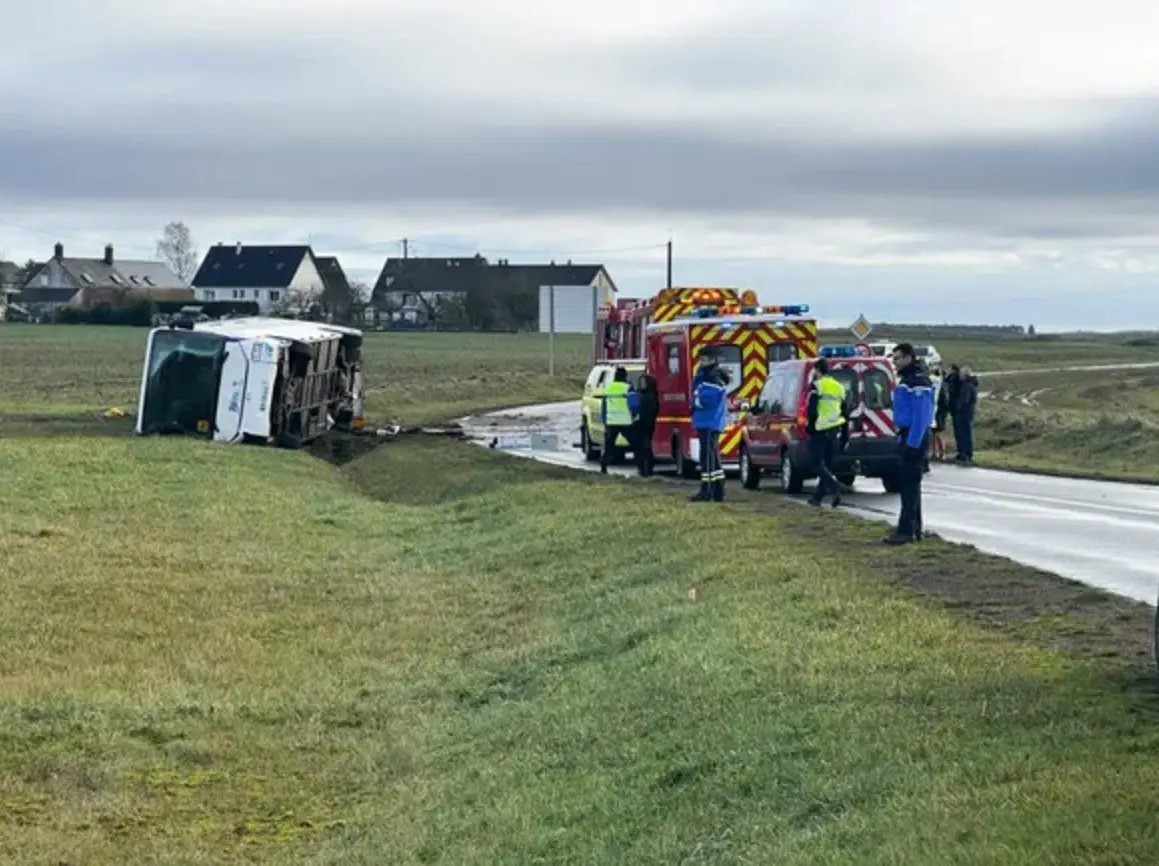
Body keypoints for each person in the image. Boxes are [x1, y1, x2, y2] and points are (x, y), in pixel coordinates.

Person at [884, 343, 935, 545]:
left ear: (908, 358)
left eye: (897, 358)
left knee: (909, 485)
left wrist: (912, 444)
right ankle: (913, 529)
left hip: (915, 436)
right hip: (907, 435)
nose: (894, 363)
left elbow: (921, 416)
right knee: (908, 486)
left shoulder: (917, 381)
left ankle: (907, 531)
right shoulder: (908, 379)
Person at [805, 357, 848, 508]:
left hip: (820, 428)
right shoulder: (839, 387)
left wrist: (810, 427)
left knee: (816, 463)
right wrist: (845, 434)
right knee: (828, 465)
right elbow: (845, 411)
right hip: (835, 429)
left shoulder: (817, 386)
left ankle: (833, 484)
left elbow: (812, 409)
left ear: (817, 370)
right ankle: (818, 497)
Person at [689, 351, 730, 502]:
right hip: (707, 421)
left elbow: (705, 399)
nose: (701, 361)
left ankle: (707, 491)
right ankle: (717, 489)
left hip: (708, 420)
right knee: (711, 455)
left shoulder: (711, 376)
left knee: (708, 457)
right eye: (700, 359)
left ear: (712, 359)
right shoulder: (707, 374)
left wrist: (694, 401)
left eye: (704, 359)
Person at [599, 366, 635, 474]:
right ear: (625, 376)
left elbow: (604, 406)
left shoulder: (609, 388)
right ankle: (643, 467)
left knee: (609, 447)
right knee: (636, 444)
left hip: (611, 422)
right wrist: (635, 415)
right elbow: (633, 404)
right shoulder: (628, 388)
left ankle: (604, 466)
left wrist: (604, 420)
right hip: (626, 422)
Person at [633, 373, 659, 476]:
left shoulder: (647, 396)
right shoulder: (652, 395)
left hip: (643, 424)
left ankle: (645, 469)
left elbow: (642, 409)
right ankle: (646, 468)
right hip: (649, 424)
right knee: (645, 446)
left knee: (643, 447)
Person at [954, 366, 979, 465]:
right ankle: (965, 454)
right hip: (968, 413)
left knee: (964, 435)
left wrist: (958, 409)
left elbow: (964, 401)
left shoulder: (967, 386)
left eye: (961, 374)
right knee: (965, 434)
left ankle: (966, 454)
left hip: (964, 414)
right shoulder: (970, 385)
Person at [933, 366, 950, 461]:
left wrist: (940, 412)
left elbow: (944, 402)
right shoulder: (941, 385)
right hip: (937, 412)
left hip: (939, 413)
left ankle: (942, 453)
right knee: (934, 434)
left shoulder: (942, 386)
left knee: (938, 433)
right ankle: (935, 452)